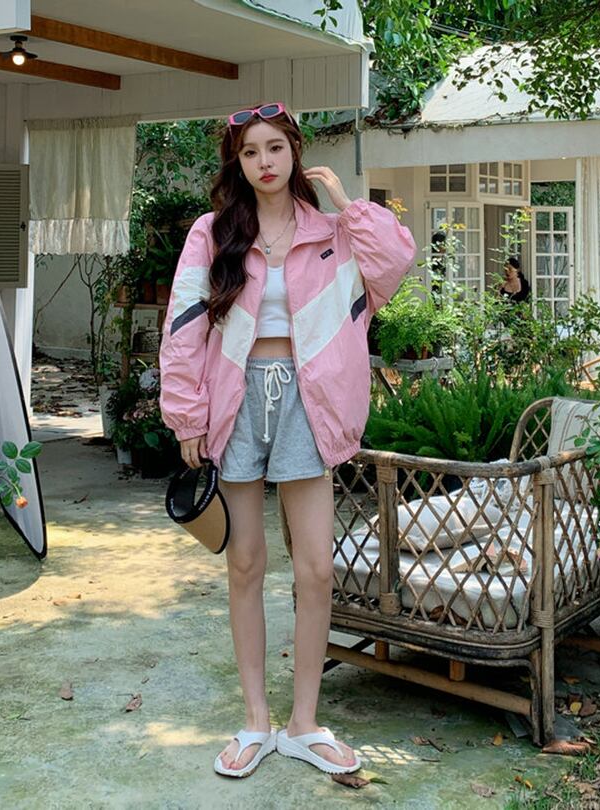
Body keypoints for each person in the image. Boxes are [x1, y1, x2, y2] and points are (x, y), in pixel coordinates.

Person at [159, 102, 416, 778]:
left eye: (274, 147)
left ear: (294, 151)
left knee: (315, 569)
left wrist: (346, 204)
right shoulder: (214, 233)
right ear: (238, 162)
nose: (264, 162)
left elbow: (396, 262)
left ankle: (304, 722)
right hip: (235, 398)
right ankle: (255, 721)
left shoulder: (332, 232)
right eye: (250, 152)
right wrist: (186, 415)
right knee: (245, 563)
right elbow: (183, 327)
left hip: (311, 400)